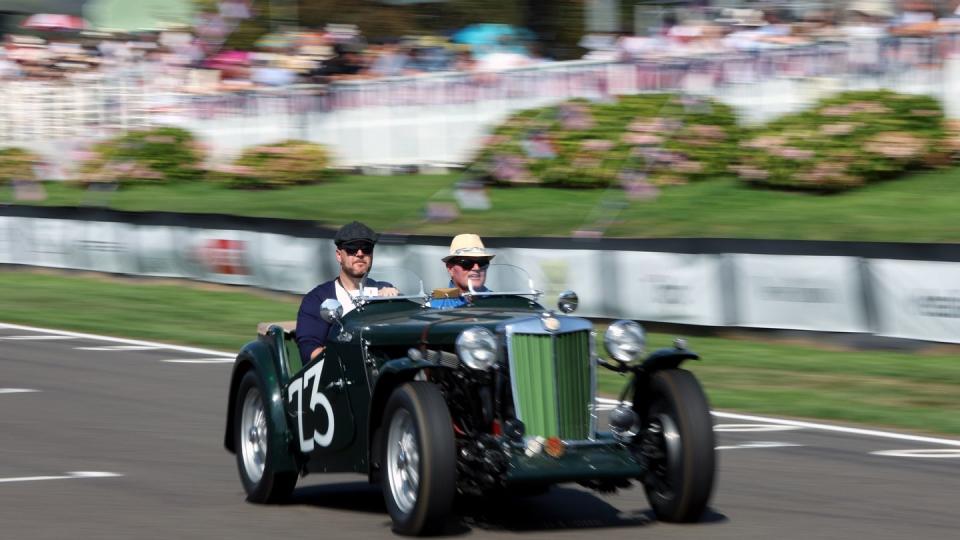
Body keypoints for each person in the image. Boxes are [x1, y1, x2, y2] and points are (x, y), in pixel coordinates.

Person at [296, 221, 396, 363]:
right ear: (338, 255)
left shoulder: (384, 289)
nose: (360, 254)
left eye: (366, 248)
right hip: (340, 376)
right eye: (352, 248)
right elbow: (310, 350)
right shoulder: (318, 298)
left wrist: (396, 299)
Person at [430, 233, 494, 308]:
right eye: (467, 263)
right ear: (450, 268)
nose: (476, 268)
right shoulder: (435, 306)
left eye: (482, 262)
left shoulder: (499, 301)